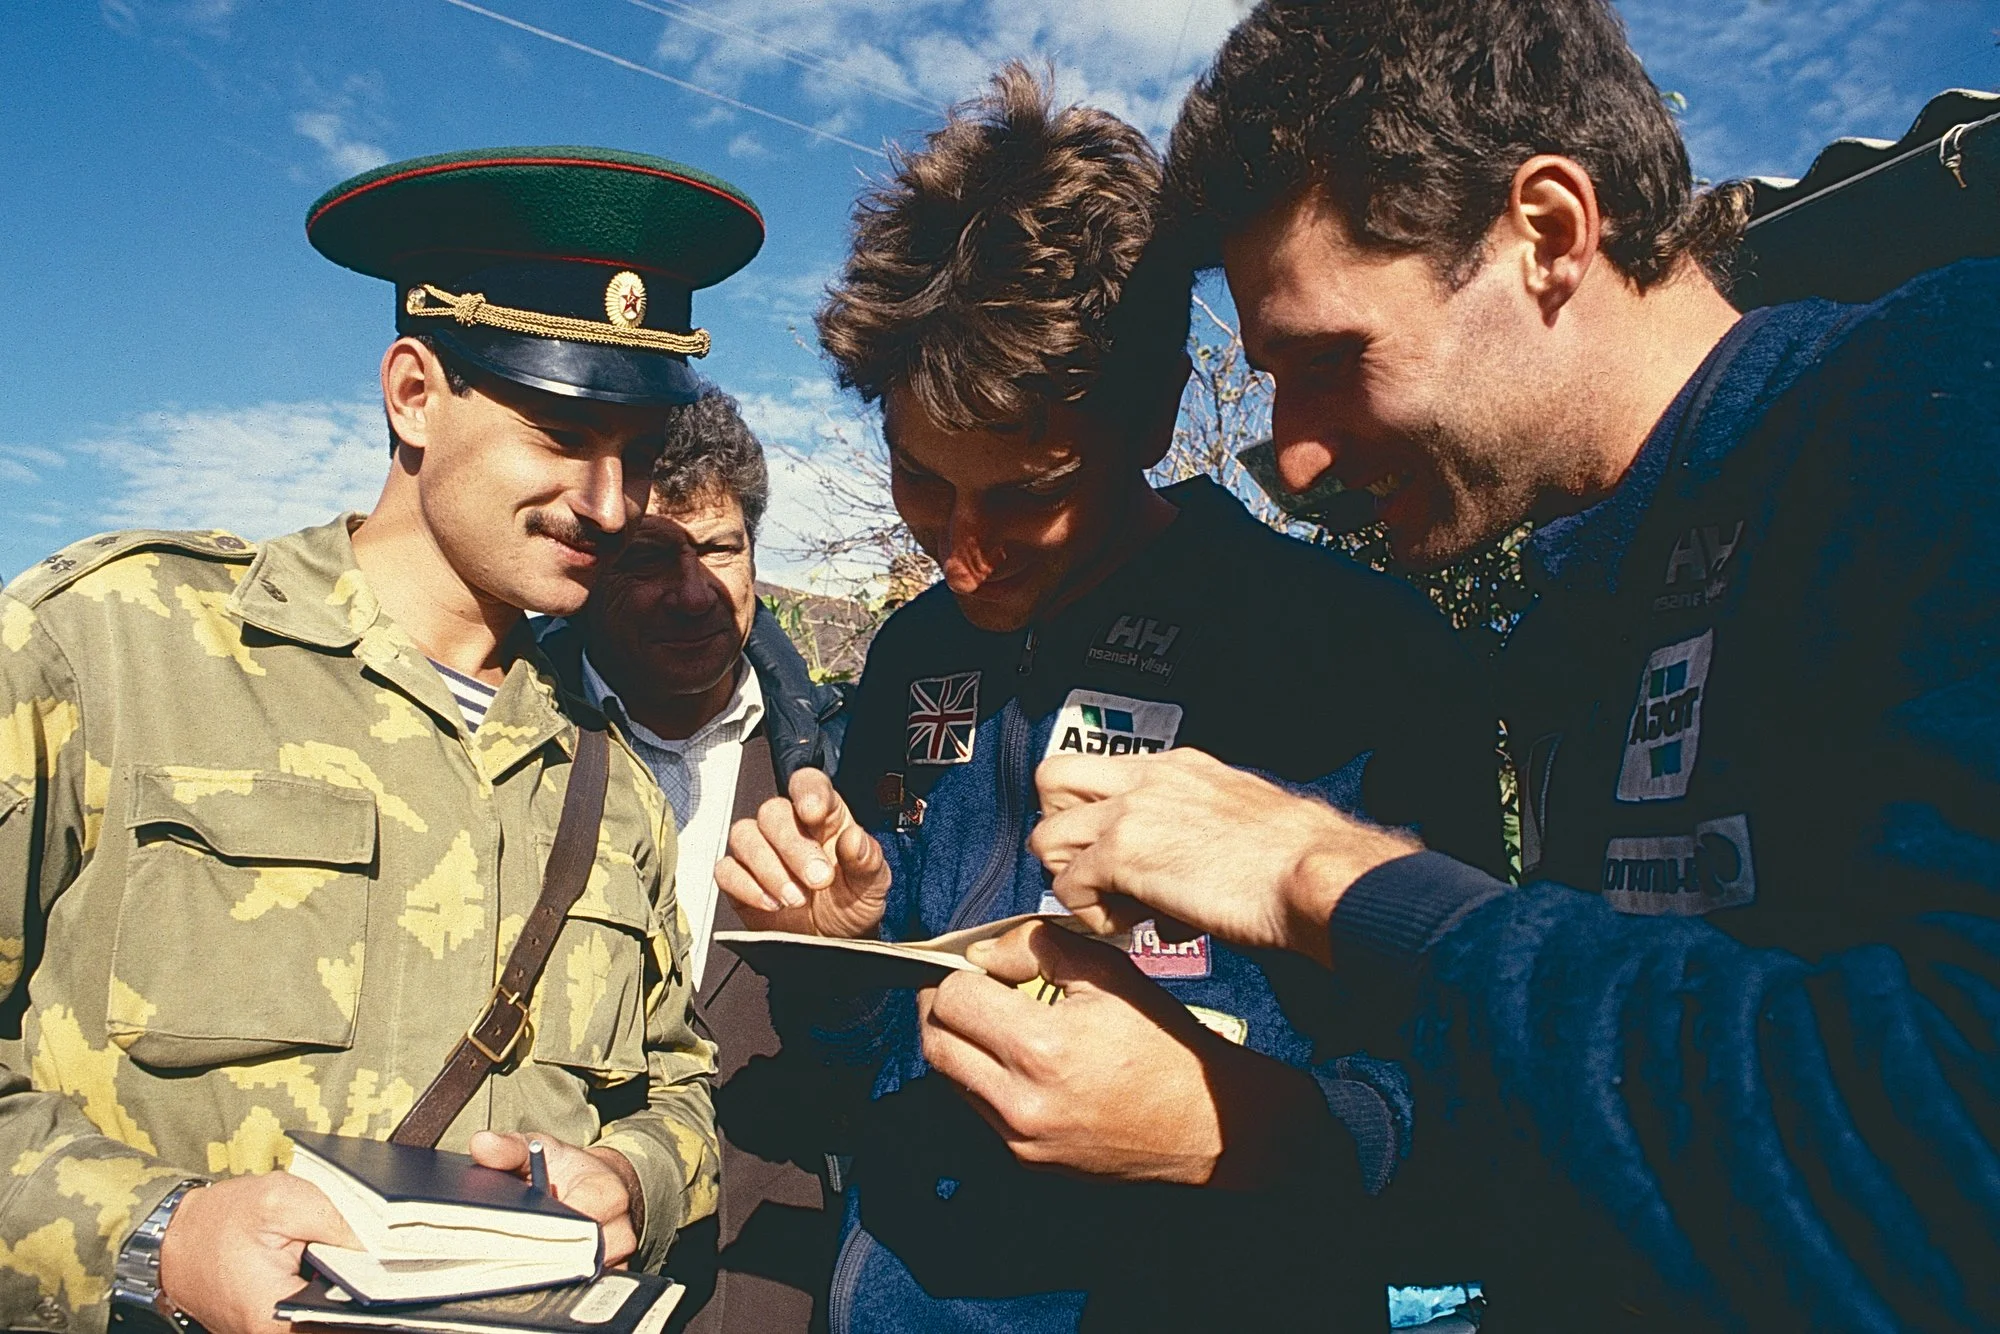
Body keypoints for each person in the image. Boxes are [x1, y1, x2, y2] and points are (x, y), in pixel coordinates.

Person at [943, 3, 2000, 1329]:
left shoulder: (1939, 399)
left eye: (1329, 361)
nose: (1299, 455)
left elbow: (1956, 1158)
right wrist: (1242, 1118)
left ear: (1548, 235)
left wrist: (1325, 872)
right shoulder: (1581, 608)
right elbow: (1594, 1139)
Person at [716, 66, 1505, 1331]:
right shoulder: (917, 654)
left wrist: (1227, 1131)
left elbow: (1468, 1087)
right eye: (921, 483)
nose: (960, 553)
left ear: (1151, 415)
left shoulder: (1353, 652)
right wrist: (840, 948)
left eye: (1026, 494)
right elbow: (858, 1054)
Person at [0, 147, 767, 1334]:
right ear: (413, 391)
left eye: (634, 449)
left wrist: (634, 1177)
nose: (609, 503)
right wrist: (156, 1234)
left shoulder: (607, 776)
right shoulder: (110, 649)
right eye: (562, 429)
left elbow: (674, 1086)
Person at [537, 386, 851, 1334]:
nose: (691, 592)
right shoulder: (510, 750)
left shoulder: (847, 761)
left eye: (719, 550)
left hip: (782, 1274)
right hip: (558, 1270)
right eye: (648, 559)